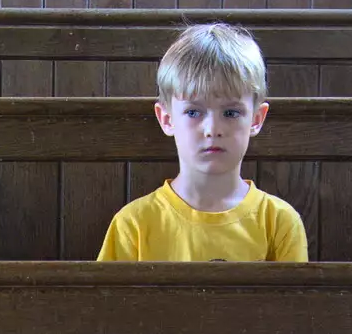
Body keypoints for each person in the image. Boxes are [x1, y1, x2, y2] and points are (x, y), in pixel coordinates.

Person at [97, 23, 308, 263]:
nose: (213, 130)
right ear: (167, 119)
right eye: (193, 112)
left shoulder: (279, 221)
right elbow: (108, 301)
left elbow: (293, 301)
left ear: (256, 119)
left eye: (230, 113)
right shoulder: (133, 223)